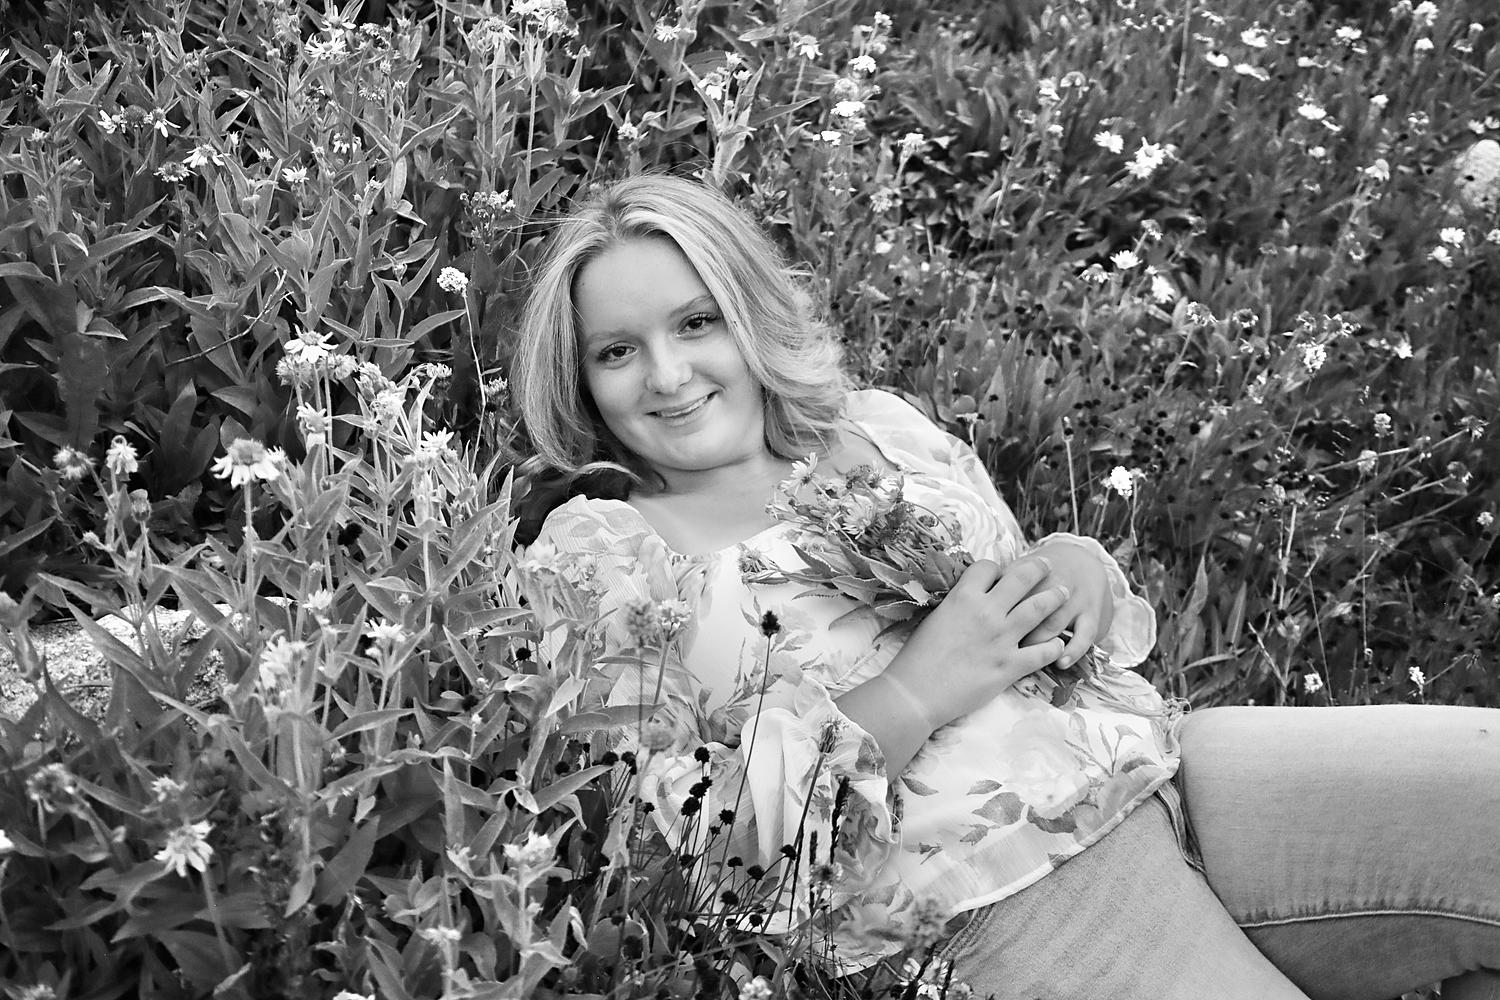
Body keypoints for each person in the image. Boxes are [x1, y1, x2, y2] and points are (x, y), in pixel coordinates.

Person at [512, 172, 1500, 1000]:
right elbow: (681, 850)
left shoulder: (875, 426)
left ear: (748, 313)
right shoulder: (600, 553)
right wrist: (915, 692)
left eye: (696, 322)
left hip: (1163, 770)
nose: (668, 374)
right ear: (580, 378)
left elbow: (1030, 595)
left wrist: (1077, 571)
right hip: (978, 895)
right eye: (617, 350)